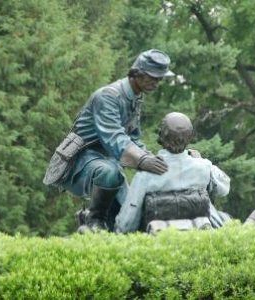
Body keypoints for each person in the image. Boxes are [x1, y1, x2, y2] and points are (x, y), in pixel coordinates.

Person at [52, 49, 175, 232]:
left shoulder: (135, 97)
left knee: (131, 213)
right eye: (152, 78)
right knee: (111, 173)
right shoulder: (108, 96)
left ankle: (105, 224)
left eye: (159, 79)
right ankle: (95, 221)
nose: (157, 83)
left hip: (107, 161)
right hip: (81, 161)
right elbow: (113, 136)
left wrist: (152, 158)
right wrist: (142, 160)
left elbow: (133, 137)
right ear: (137, 74)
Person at [114, 112, 232, 233]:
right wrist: (200, 160)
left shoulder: (144, 176)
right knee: (225, 218)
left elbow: (126, 224)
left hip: (159, 242)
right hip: (199, 238)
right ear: (190, 137)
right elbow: (224, 189)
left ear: (160, 135)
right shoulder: (203, 167)